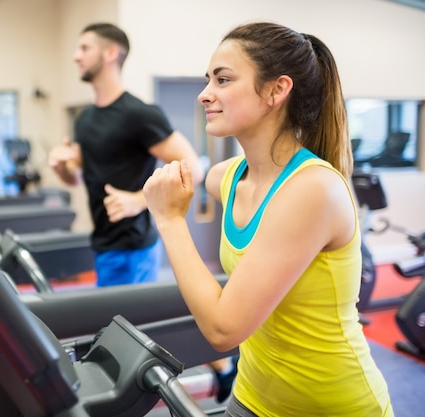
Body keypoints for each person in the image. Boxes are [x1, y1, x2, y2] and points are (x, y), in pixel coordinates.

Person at [143, 21, 394, 417]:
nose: (205, 94)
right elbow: (196, 178)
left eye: (223, 80)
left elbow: (224, 330)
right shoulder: (228, 177)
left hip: (333, 405)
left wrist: (171, 220)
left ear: (277, 90)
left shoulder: (312, 190)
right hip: (252, 398)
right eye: (208, 80)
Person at [48, 22, 238, 403]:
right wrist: (63, 167)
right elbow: (79, 178)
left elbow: (192, 166)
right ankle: (222, 366)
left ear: (110, 53)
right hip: (103, 241)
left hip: (133, 244)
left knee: (119, 336)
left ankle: (204, 372)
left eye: (84, 47)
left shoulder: (139, 113)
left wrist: (139, 200)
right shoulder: (85, 119)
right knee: (132, 328)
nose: (75, 55)